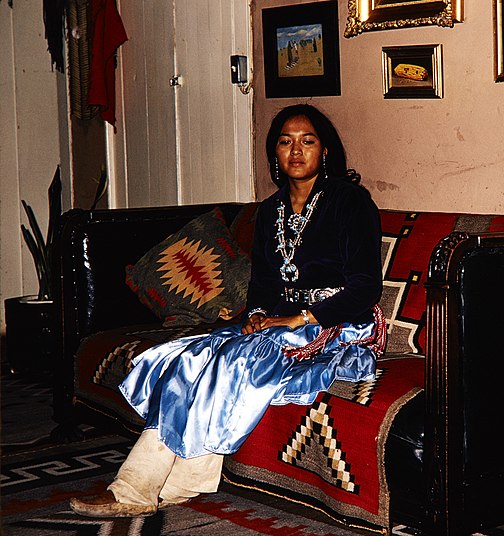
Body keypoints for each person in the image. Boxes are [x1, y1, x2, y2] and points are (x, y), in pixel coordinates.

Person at [70, 104, 384, 517]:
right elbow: (265, 285)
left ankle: (133, 487)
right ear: (274, 153)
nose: (296, 150)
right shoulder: (270, 210)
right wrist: (255, 312)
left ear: (325, 151)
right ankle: (178, 483)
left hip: (338, 321)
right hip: (283, 323)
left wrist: (302, 316)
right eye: (285, 141)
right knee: (191, 354)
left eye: (308, 141)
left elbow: (365, 288)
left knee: (236, 358)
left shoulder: (350, 202)